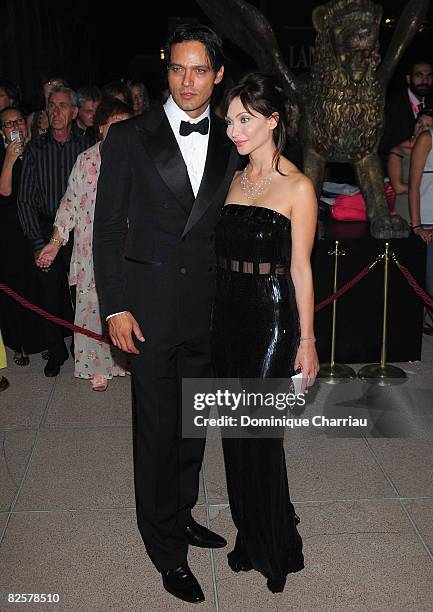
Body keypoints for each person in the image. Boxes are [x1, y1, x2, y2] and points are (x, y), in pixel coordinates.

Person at [93, 24, 239, 604]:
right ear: (166, 71)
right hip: (148, 309)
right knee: (155, 432)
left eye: (199, 69)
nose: (187, 80)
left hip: (207, 310)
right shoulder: (130, 136)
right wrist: (115, 307)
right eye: (178, 69)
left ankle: (179, 514)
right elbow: (105, 233)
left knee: (190, 425)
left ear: (218, 74)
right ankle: (163, 546)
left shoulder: (234, 137)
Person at [212, 72, 319, 593]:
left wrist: (307, 340)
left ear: (273, 120)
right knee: (234, 438)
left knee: (260, 439)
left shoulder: (298, 186)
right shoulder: (232, 178)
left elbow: (301, 268)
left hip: (272, 321)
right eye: (229, 120)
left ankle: (276, 546)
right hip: (226, 317)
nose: (233, 129)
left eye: (245, 119)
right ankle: (248, 537)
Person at [36, 98, 132, 390]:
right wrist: (55, 242)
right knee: (92, 307)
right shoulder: (86, 161)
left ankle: (126, 361)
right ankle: (97, 365)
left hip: (130, 248)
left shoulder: (136, 160)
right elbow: (70, 205)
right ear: (101, 128)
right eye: (116, 126)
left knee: (129, 306)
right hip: (92, 248)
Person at [18, 86, 94, 377]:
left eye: (62, 106)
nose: (55, 112)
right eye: (51, 106)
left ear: (75, 112)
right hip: (46, 227)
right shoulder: (36, 148)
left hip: (80, 230)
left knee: (80, 292)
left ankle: (82, 347)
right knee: (48, 293)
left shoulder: (86, 146)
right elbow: (25, 199)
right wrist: (38, 242)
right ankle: (56, 351)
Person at [0, 106, 44, 365]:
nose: (15, 127)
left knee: (40, 284)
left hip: (36, 226)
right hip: (9, 232)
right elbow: (4, 193)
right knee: (14, 286)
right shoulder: (4, 154)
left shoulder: (38, 150)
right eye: (8, 124)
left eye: (18, 121)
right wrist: (8, 159)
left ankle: (45, 340)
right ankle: (19, 345)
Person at [408, 110, 433, 331]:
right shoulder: (428, 137)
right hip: (426, 217)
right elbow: (413, 184)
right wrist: (416, 225)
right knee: (427, 279)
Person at [387, 109, 433, 223]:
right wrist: (423, 187)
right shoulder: (398, 151)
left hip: (427, 206)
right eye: (419, 123)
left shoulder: (430, 151)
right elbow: (398, 187)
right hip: (406, 206)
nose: (421, 128)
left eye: (427, 126)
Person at [381, 60, 433, 157]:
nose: (425, 81)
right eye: (419, 75)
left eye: (429, 76)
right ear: (409, 79)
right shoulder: (391, 106)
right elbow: (383, 147)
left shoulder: (431, 103)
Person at [26, 75, 68, 140]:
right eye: (50, 84)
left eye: (59, 85)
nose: (54, 88)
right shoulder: (32, 118)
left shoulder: (69, 114)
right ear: (42, 87)